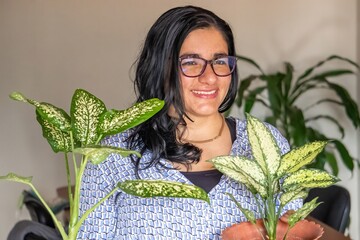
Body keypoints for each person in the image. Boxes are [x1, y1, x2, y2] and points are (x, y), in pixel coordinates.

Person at [77, 5, 302, 239]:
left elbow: (294, 229)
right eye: (191, 62)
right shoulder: (112, 154)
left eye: (220, 61)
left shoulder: (265, 144)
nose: (210, 77)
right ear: (160, 67)